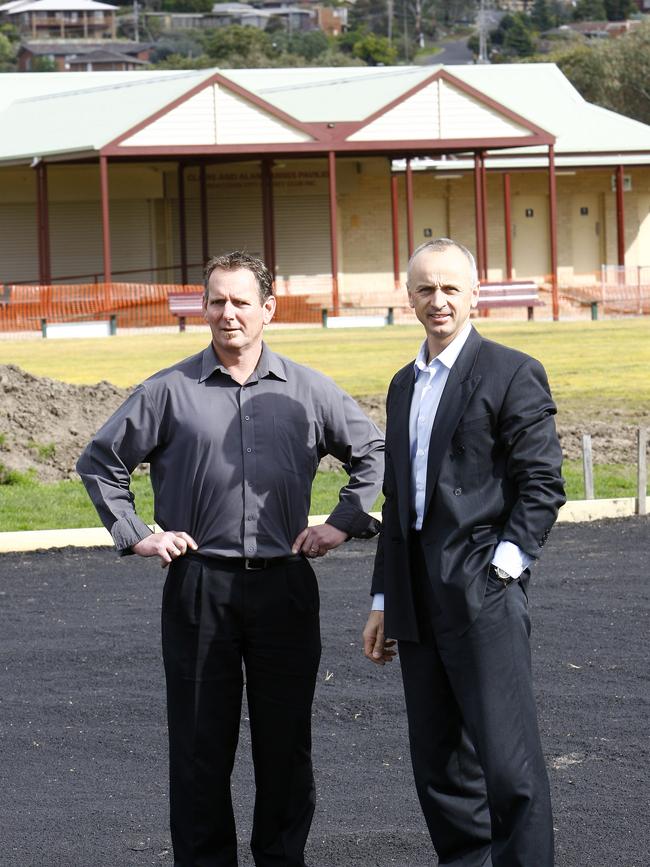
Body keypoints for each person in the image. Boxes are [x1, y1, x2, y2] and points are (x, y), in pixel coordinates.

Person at [77, 251, 384, 867]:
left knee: (285, 746)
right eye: (216, 301)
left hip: (286, 589)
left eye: (242, 301)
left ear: (268, 309)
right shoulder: (167, 391)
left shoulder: (309, 390)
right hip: (199, 588)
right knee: (198, 747)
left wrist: (341, 525)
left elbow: (374, 452)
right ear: (203, 308)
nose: (228, 313)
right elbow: (100, 463)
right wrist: (138, 532)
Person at [362, 238, 566, 867]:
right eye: (426, 289)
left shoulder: (511, 370)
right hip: (416, 601)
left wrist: (503, 569)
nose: (438, 300)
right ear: (409, 298)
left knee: (509, 768)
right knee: (440, 767)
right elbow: (399, 502)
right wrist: (382, 600)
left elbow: (542, 482)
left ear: (475, 294)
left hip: (482, 592)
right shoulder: (403, 385)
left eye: (451, 287)